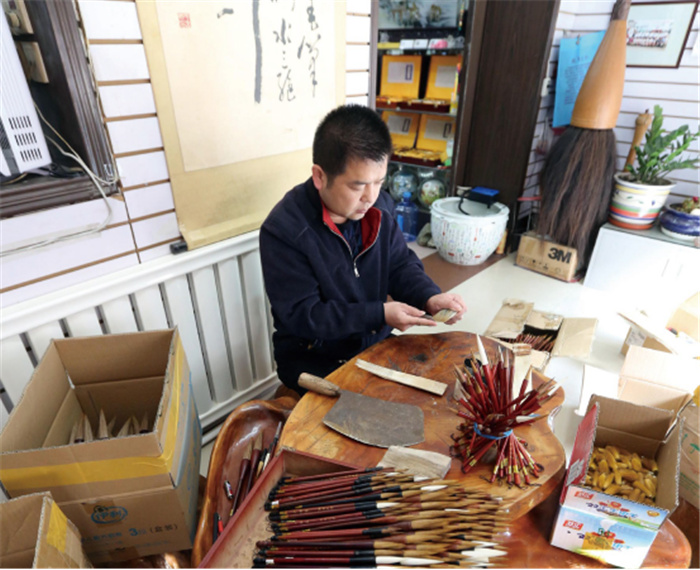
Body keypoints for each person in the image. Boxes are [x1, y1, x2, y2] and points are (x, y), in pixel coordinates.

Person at [260, 104, 466, 393]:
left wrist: (428, 296)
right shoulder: (284, 230)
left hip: (371, 342)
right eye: (358, 186)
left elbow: (399, 264)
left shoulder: (379, 206)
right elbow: (306, 315)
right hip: (314, 358)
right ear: (320, 176)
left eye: (379, 182)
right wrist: (379, 314)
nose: (370, 197)